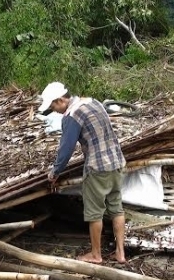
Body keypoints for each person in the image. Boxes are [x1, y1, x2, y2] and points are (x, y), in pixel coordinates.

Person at [38, 82, 127, 264]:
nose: (54, 111)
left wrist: (54, 172)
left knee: (95, 213)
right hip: (117, 162)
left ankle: (96, 255)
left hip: (97, 167)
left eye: (53, 106)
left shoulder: (72, 115)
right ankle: (120, 253)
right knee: (116, 208)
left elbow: (66, 149)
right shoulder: (93, 102)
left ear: (61, 100)